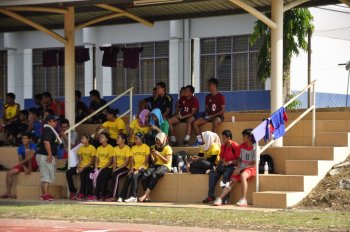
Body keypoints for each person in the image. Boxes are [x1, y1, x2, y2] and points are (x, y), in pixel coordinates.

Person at [213, 128, 256, 207]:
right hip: (241, 167)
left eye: (244, 136)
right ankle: (220, 198)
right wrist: (238, 167)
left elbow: (254, 164)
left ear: (250, 137)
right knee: (231, 181)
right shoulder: (242, 146)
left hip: (251, 168)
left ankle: (243, 199)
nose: (242, 138)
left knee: (243, 175)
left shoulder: (255, 147)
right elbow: (239, 159)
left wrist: (241, 169)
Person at [202, 130, 239, 204]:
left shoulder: (235, 146)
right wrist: (216, 167)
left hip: (233, 166)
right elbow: (221, 158)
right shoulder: (223, 146)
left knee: (226, 175)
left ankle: (225, 198)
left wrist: (230, 162)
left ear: (229, 138)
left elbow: (239, 160)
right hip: (224, 165)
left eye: (224, 138)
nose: (222, 140)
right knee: (212, 173)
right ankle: (211, 196)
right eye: (222, 138)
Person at [0, 133, 38, 199]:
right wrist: (24, 167)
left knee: (27, 151)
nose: (24, 140)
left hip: (33, 164)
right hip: (24, 164)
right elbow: (20, 160)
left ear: (29, 139)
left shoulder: (33, 145)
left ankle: (30, 169)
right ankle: (8, 193)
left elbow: (31, 156)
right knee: (9, 173)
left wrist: (24, 165)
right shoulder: (20, 148)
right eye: (23, 138)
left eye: (26, 138)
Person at [139, 132, 172, 202]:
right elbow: (154, 161)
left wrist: (159, 154)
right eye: (156, 140)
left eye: (158, 140)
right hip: (156, 165)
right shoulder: (155, 147)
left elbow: (166, 161)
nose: (157, 142)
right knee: (145, 175)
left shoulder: (167, 148)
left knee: (154, 174)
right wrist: (152, 155)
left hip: (165, 166)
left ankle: (145, 195)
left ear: (163, 140)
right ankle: (148, 196)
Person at [192, 78, 226, 146]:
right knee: (195, 123)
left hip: (217, 116)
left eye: (210, 85)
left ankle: (211, 141)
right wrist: (207, 115)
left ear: (215, 85)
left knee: (216, 121)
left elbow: (223, 110)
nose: (208, 86)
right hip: (209, 115)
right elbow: (207, 108)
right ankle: (200, 140)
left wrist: (212, 116)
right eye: (208, 85)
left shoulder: (221, 96)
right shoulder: (207, 97)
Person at [36, 115, 62, 201]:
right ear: (48, 122)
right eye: (53, 121)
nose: (55, 122)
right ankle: (45, 195)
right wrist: (50, 154)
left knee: (45, 175)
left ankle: (44, 194)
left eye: (56, 121)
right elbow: (46, 142)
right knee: (46, 176)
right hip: (45, 155)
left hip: (43, 155)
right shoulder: (48, 130)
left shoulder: (49, 130)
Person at [121, 132, 150, 203]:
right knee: (129, 176)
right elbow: (131, 161)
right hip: (135, 167)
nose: (135, 140)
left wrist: (138, 169)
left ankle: (133, 196)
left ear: (141, 139)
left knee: (135, 175)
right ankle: (122, 196)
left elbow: (146, 162)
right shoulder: (133, 148)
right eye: (134, 139)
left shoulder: (146, 147)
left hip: (143, 167)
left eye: (137, 139)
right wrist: (131, 169)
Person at [67, 134, 96, 201]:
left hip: (89, 166)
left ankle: (82, 193)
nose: (81, 140)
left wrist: (82, 168)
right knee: (68, 172)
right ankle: (73, 190)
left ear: (88, 139)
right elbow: (80, 159)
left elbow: (92, 162)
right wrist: (77, 167)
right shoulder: (81, 148)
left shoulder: (92, 148)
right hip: (81, 166)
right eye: (81, 138)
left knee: (84, 174)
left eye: (83, 138)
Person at [106, 133, 131, 202]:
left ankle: (114, 196)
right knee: (110, 174)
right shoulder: (115, 148)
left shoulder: (127, 148)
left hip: (125, 168)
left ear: (123, 140)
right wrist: (114, 169)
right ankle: (106, 194)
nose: (116, 139)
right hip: (117, 167)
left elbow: (126, 163)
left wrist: (116, 170)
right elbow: (114, 161)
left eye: (118, 138)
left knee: (116, 175)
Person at [93, 132, 114, 201]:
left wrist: (101, 168)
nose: (100, 138)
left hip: (108, 167)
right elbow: (96, 160)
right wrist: (96, 168)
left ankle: (103, 195)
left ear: (107, 139)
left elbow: (110, 161)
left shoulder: (110, 148)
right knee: (95, 177)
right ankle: (96, 195)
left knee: (103, 177)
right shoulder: (98, 148)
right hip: (99, 167)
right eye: (100, 137)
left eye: (102, 137)